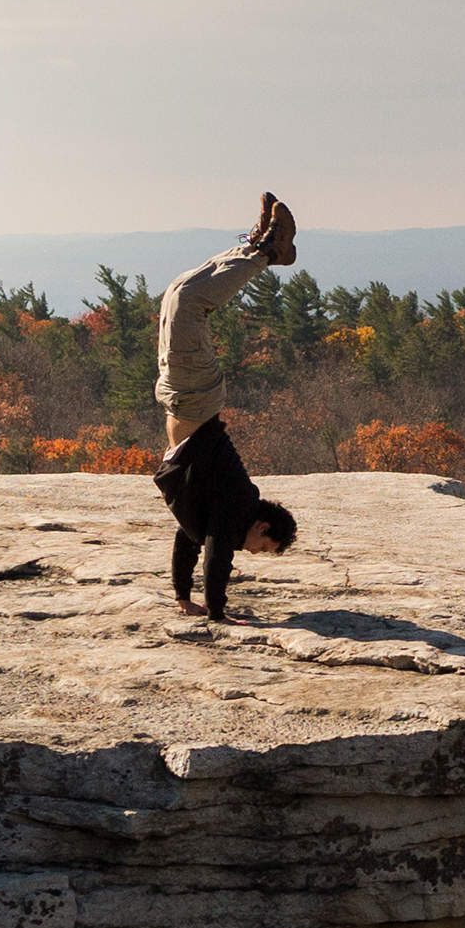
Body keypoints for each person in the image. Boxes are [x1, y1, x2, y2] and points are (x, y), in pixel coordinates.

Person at [149, 193, 302, 621]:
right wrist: (217, 611)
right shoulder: (238, 503)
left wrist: (183, 598)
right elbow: (216, 557)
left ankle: (257, 245)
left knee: (177, 294)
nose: (255, 553)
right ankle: (266, 251)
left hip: (179, 396)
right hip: (195, 396)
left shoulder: (215, 512)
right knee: (187, 304)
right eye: (265, 548)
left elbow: (187, 540)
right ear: (264, 528)